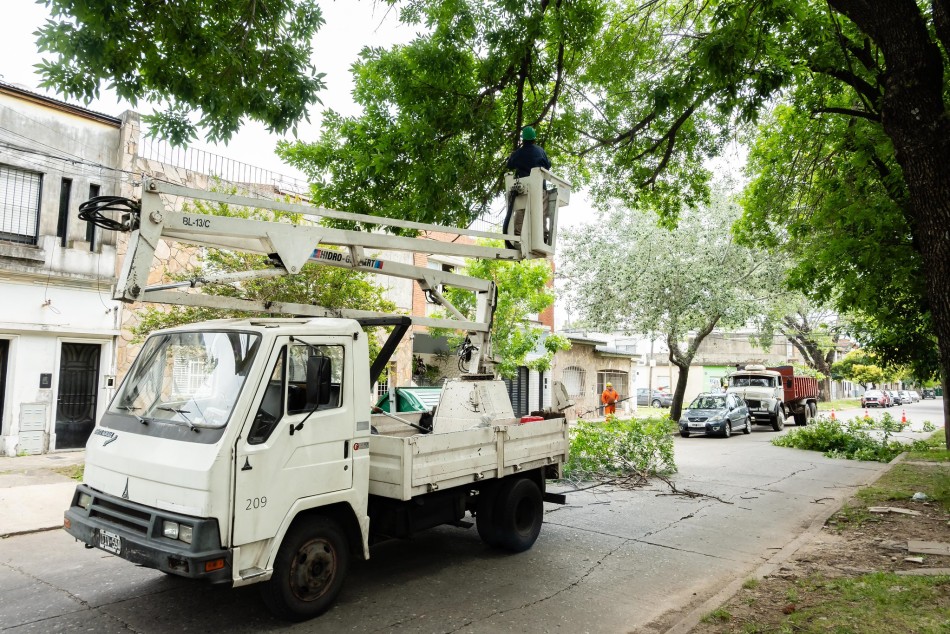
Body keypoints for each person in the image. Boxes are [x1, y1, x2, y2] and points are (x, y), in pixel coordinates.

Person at [503, 126, 552, 248]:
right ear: (534, 139)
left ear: (523, 140)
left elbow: (509, 165)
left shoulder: (518, 153)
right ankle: (543, 236)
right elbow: (548, 165)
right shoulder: (540, 151)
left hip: (521, 189)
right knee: (542, 211)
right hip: (539, 188)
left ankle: (518, 237)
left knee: (520, 211)